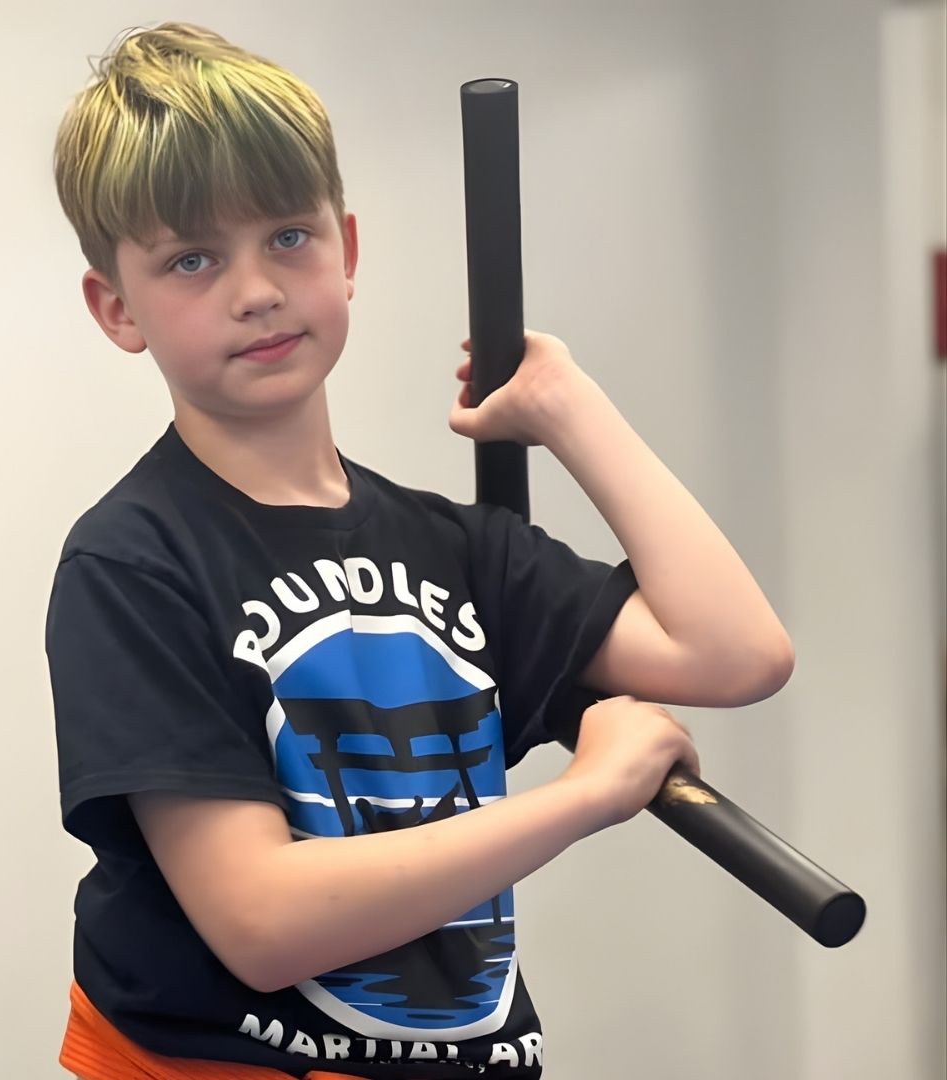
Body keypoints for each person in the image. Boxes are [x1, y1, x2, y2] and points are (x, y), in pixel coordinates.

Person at [44, 21, 794, 1080]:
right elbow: (263, 925)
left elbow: (736, 653)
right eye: (193, 258)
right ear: (117, 309)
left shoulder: (452, 550)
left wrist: (569, 408)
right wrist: (583, 798)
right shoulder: (132, 564)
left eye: (288, 238)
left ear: (347, 252)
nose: (255, 288)